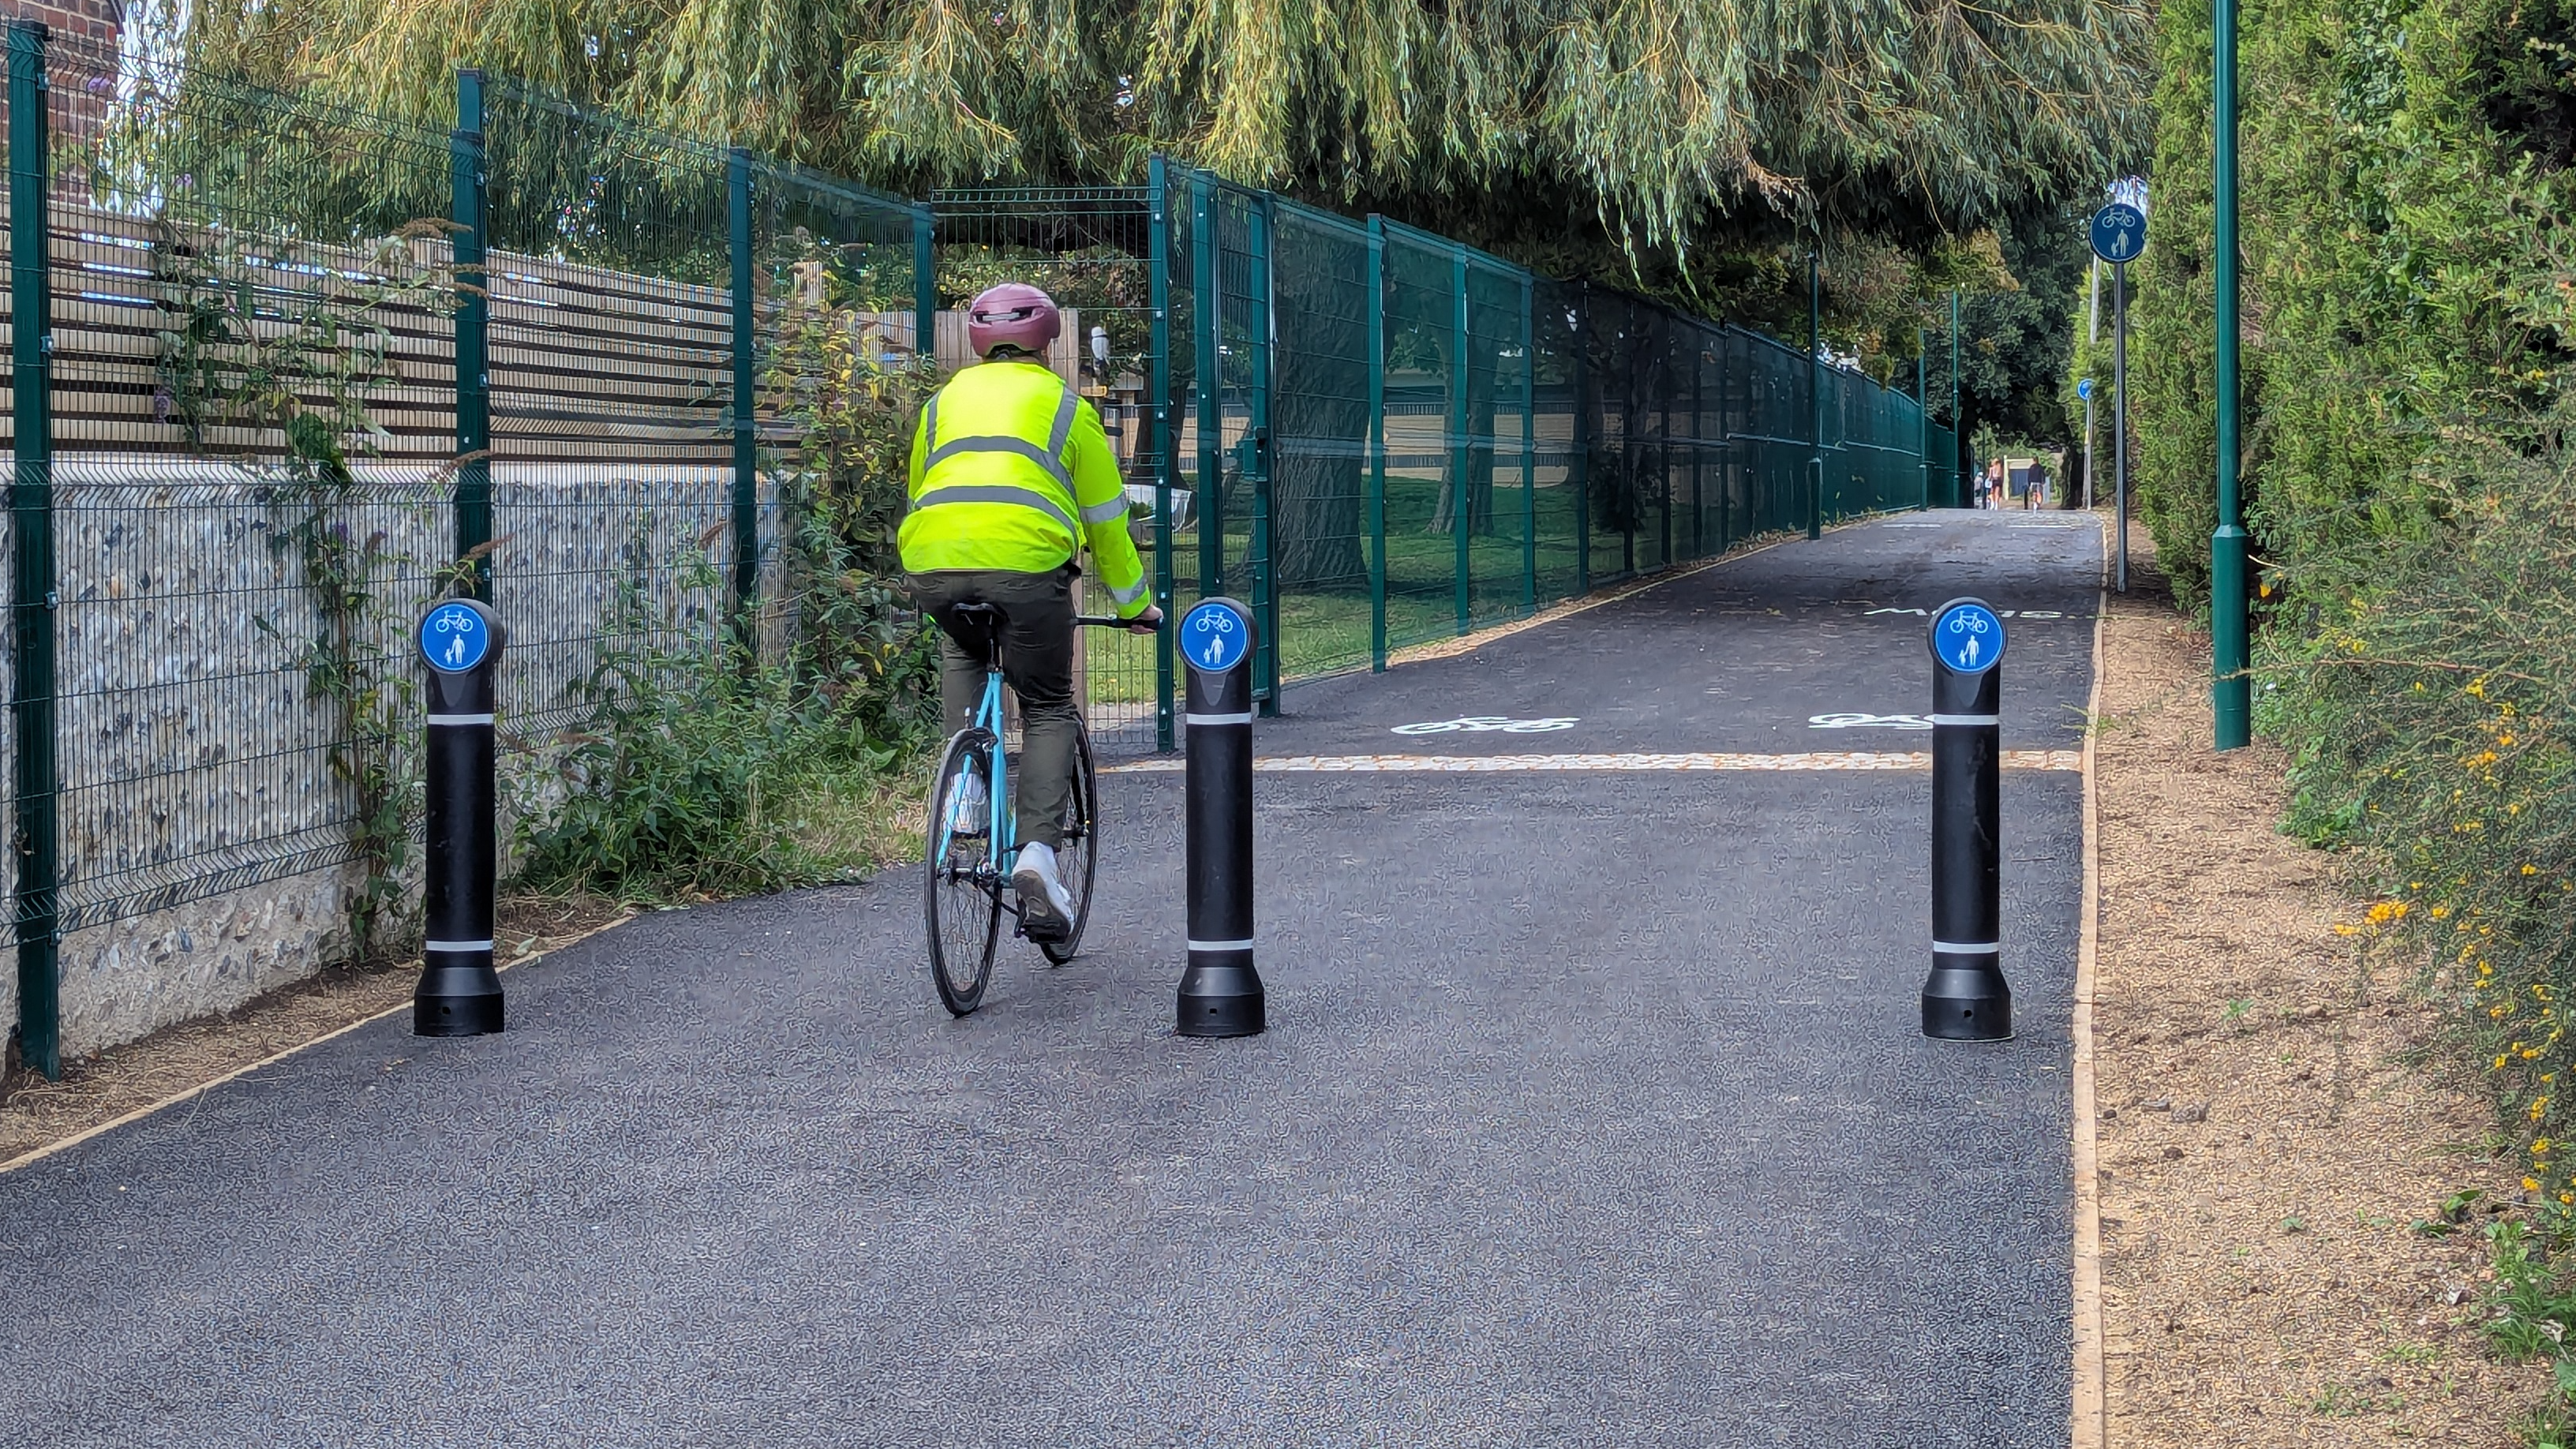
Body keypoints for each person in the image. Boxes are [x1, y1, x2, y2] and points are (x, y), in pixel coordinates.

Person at [900, 283, 1162, 941]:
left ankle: (965, 791)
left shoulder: (938, 405)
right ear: (1048, 344)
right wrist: (1135, 605)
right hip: (1025, 571)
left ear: (978, 344)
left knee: (963, 648)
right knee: (1047, 705)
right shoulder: (1065, 408)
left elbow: (920, 491)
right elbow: (1106, 520)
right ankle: (1039, 856)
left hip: (933, 563)